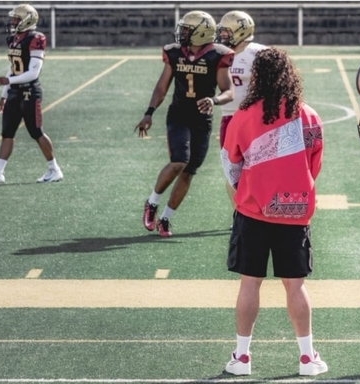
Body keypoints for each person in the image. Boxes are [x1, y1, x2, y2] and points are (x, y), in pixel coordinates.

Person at [221, 47, 327, 377]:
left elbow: (230, 165)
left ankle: (242, 357)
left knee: (249, 284)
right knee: (295, 287)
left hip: (252, 211)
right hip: (295, 214)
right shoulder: (308, 115)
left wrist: (247, 192)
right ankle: (307, 358)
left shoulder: (243, 114)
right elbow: (314, 164)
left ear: (257, 78)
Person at [134, 10, 234, 237]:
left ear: (201, 33)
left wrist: (214, 100)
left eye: (188, 29)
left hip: (202, 119)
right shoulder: (175, 53)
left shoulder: (218, 55)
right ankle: (152, 202)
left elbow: (229, 91)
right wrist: (149, 112)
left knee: (189, 171)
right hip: (179, 114)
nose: (183, 33)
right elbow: (162, 86)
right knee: (179, 161)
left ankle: (166, 219)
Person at [0, 3, 63, 184]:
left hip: (30, 92)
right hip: (14, 93)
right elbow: (11, 69)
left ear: (27, 20)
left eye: (16, 18)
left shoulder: (36, 38)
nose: (12, 21)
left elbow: (33, 72)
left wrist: (9, 82)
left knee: (36, 132)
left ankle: (54, 170)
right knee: (7, 133)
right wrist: (3, 95)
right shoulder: (13, 38)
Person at [215, 10, 267, 211]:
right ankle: (239, 213)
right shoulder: (217, 54)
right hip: (228, 118)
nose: (223, 37)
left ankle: (259, 210)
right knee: (232, 171)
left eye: (227, 33)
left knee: (258, 168)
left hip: (256, 120)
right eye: (222, 32)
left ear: (241, 32)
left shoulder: (259, 54)